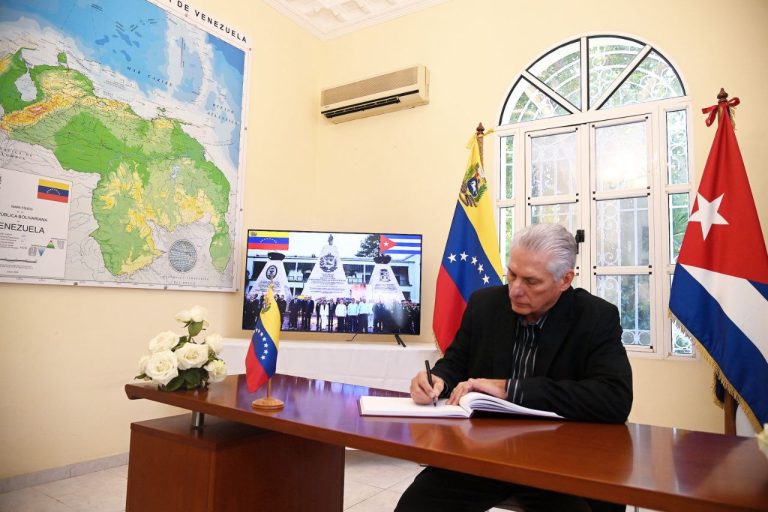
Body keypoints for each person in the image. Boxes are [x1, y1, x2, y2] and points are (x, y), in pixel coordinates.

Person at [395, 223, 633, 512]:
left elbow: (614, 399)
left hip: (560, 461)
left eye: (531, 282)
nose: (516, 290)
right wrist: (438, 379)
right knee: (416, 505)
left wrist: (510, 388)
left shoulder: (595, 317)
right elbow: (456, 361)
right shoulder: (485, 304)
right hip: (486, 453)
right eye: (512, 274)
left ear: (565, 279)